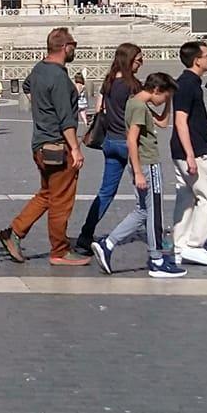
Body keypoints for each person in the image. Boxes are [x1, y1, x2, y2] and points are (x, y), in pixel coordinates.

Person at [0, 26, 86, 265]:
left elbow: (27, 86)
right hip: (58, 145)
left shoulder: (39, 69)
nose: (74, 50)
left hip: (39, 144)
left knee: (47, 194)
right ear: (65, 47)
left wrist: (41, 109)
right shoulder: (59, 77)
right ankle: (60, 251)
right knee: (61, 201)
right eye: (73, 45)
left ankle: (14, 232)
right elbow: (66, 119)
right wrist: (75, 149)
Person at [95, 68, 183, 278]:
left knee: (142, 211)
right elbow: (131, 140)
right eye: (165, 96)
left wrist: (169, 100)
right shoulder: (139, 107)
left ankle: (108, 244)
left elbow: (163, 122)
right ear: (156, 89)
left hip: (142, 164)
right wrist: (138, 172)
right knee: (154, 212)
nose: (164, 100)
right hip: (147, 164)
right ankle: (156, 260)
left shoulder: (137, 103)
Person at [71, 42, 143, 257]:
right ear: (129, 60)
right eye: (139, 59)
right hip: (129, 143)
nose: (141, 63)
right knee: (147, 196)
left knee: (105, 192)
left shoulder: (108, 82)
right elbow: (141, 114)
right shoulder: (133, 85)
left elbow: (98, 109)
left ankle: (85, 236)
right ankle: (157, 242)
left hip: (110, 142)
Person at [169, 39, 207, 268]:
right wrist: (190, 154)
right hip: (194, 151)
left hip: (186, 147)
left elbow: (189, 120)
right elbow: (180, 120)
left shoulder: (188, 83)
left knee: (186, 197)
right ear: (197, 60)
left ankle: (179, 245)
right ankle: (194, 245)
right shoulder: (187, 85)